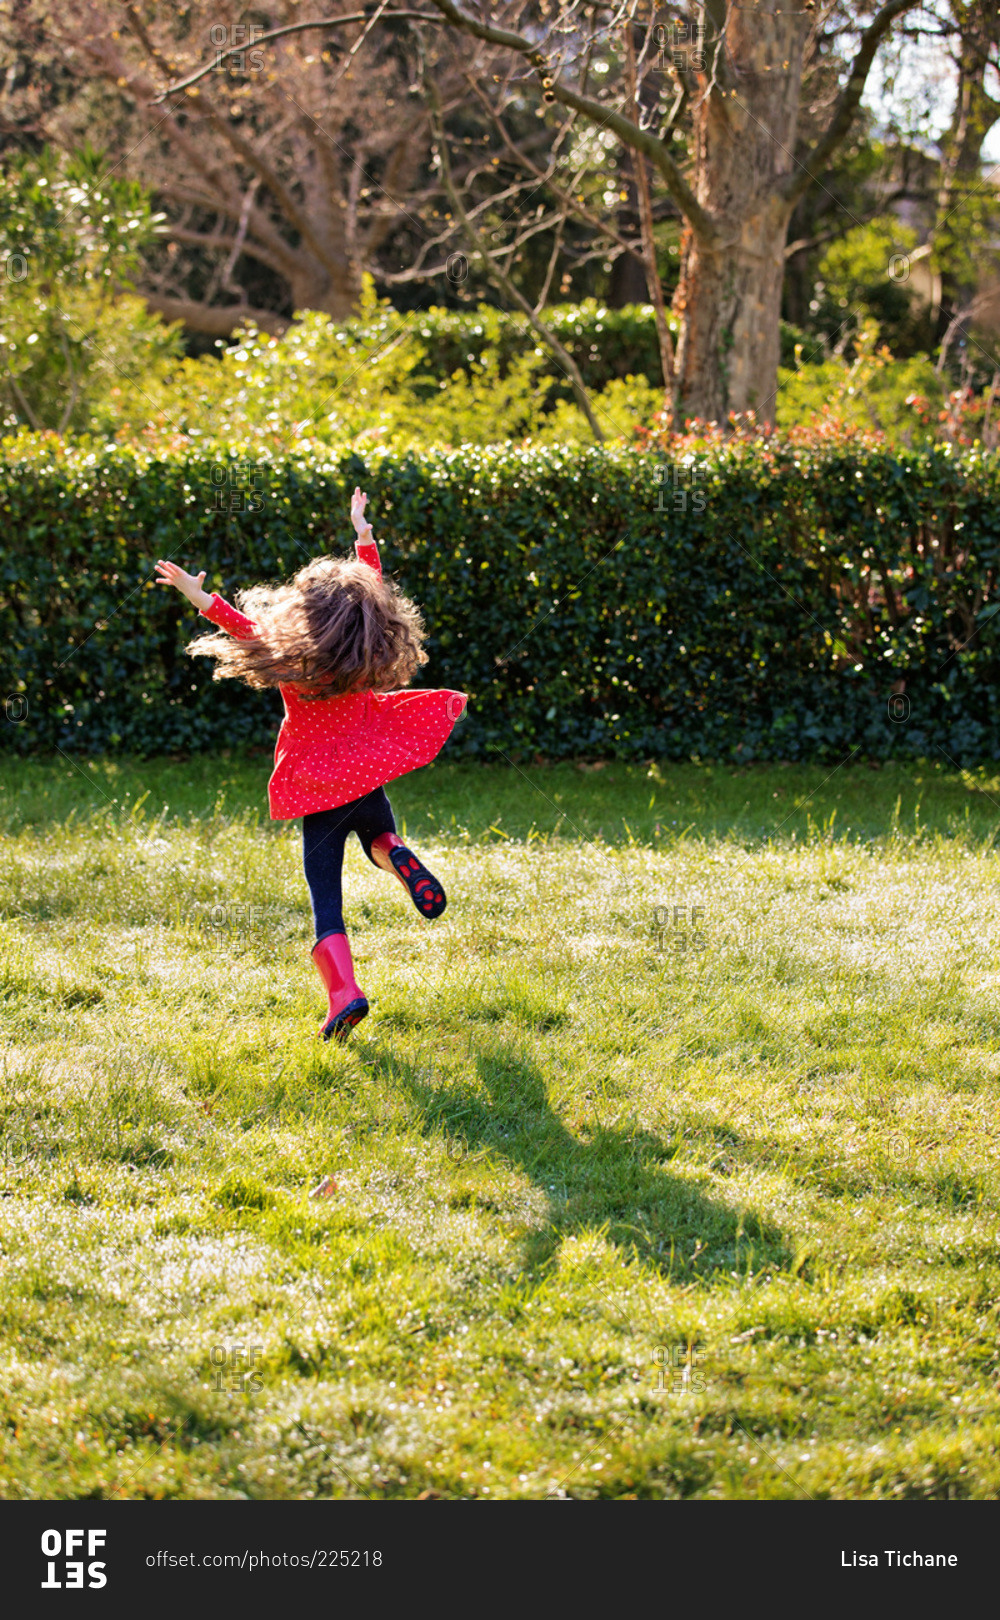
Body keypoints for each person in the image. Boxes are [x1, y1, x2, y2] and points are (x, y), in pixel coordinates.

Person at [155, 487, 467, 1039]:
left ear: (307, 615)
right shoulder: (363, 658)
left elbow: (239, 626)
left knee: (326, 898)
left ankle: (344, 992)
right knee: (378, 833)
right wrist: (363, 534)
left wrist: (195, 595)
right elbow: (370, 585)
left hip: (316, 788)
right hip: (364, 774)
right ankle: (395, 855)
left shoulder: (291, 656)